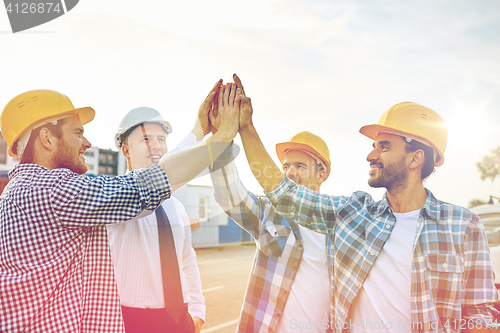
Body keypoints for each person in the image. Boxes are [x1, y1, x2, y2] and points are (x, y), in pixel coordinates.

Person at [235, 96, 498, 332]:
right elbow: (284, 194)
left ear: (415, 158)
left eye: (383, 146)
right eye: (374, 146)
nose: (370, 155)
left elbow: (480, 314)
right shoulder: (353, 214)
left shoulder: (463, 226)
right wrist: (246, 128)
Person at [0, 83, 241, 333]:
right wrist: (220, 136)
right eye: (77, 132)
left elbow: (185, 256)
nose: (87, 143)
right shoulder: (52, 192)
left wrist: (198, 133)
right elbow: (145, 186)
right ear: (47, 138)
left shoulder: (19, 192)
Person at [209, 75, 332, 332]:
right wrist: (222, 137)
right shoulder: (269, 213)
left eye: (300, 166)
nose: (289, 173)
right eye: (286, 166)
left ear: (322, 174)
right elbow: (228, 195)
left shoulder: (341, 225)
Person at [107, 107, 206, 333]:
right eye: (145, 139)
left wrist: (197, 311)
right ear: (125, 150)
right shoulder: (114, 197)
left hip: (179, 319)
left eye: (161, 139)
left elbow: (187, 258)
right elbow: (150, 184)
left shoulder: (177, 207)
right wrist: (197, 133)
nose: (156, 145)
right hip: (129, 320)